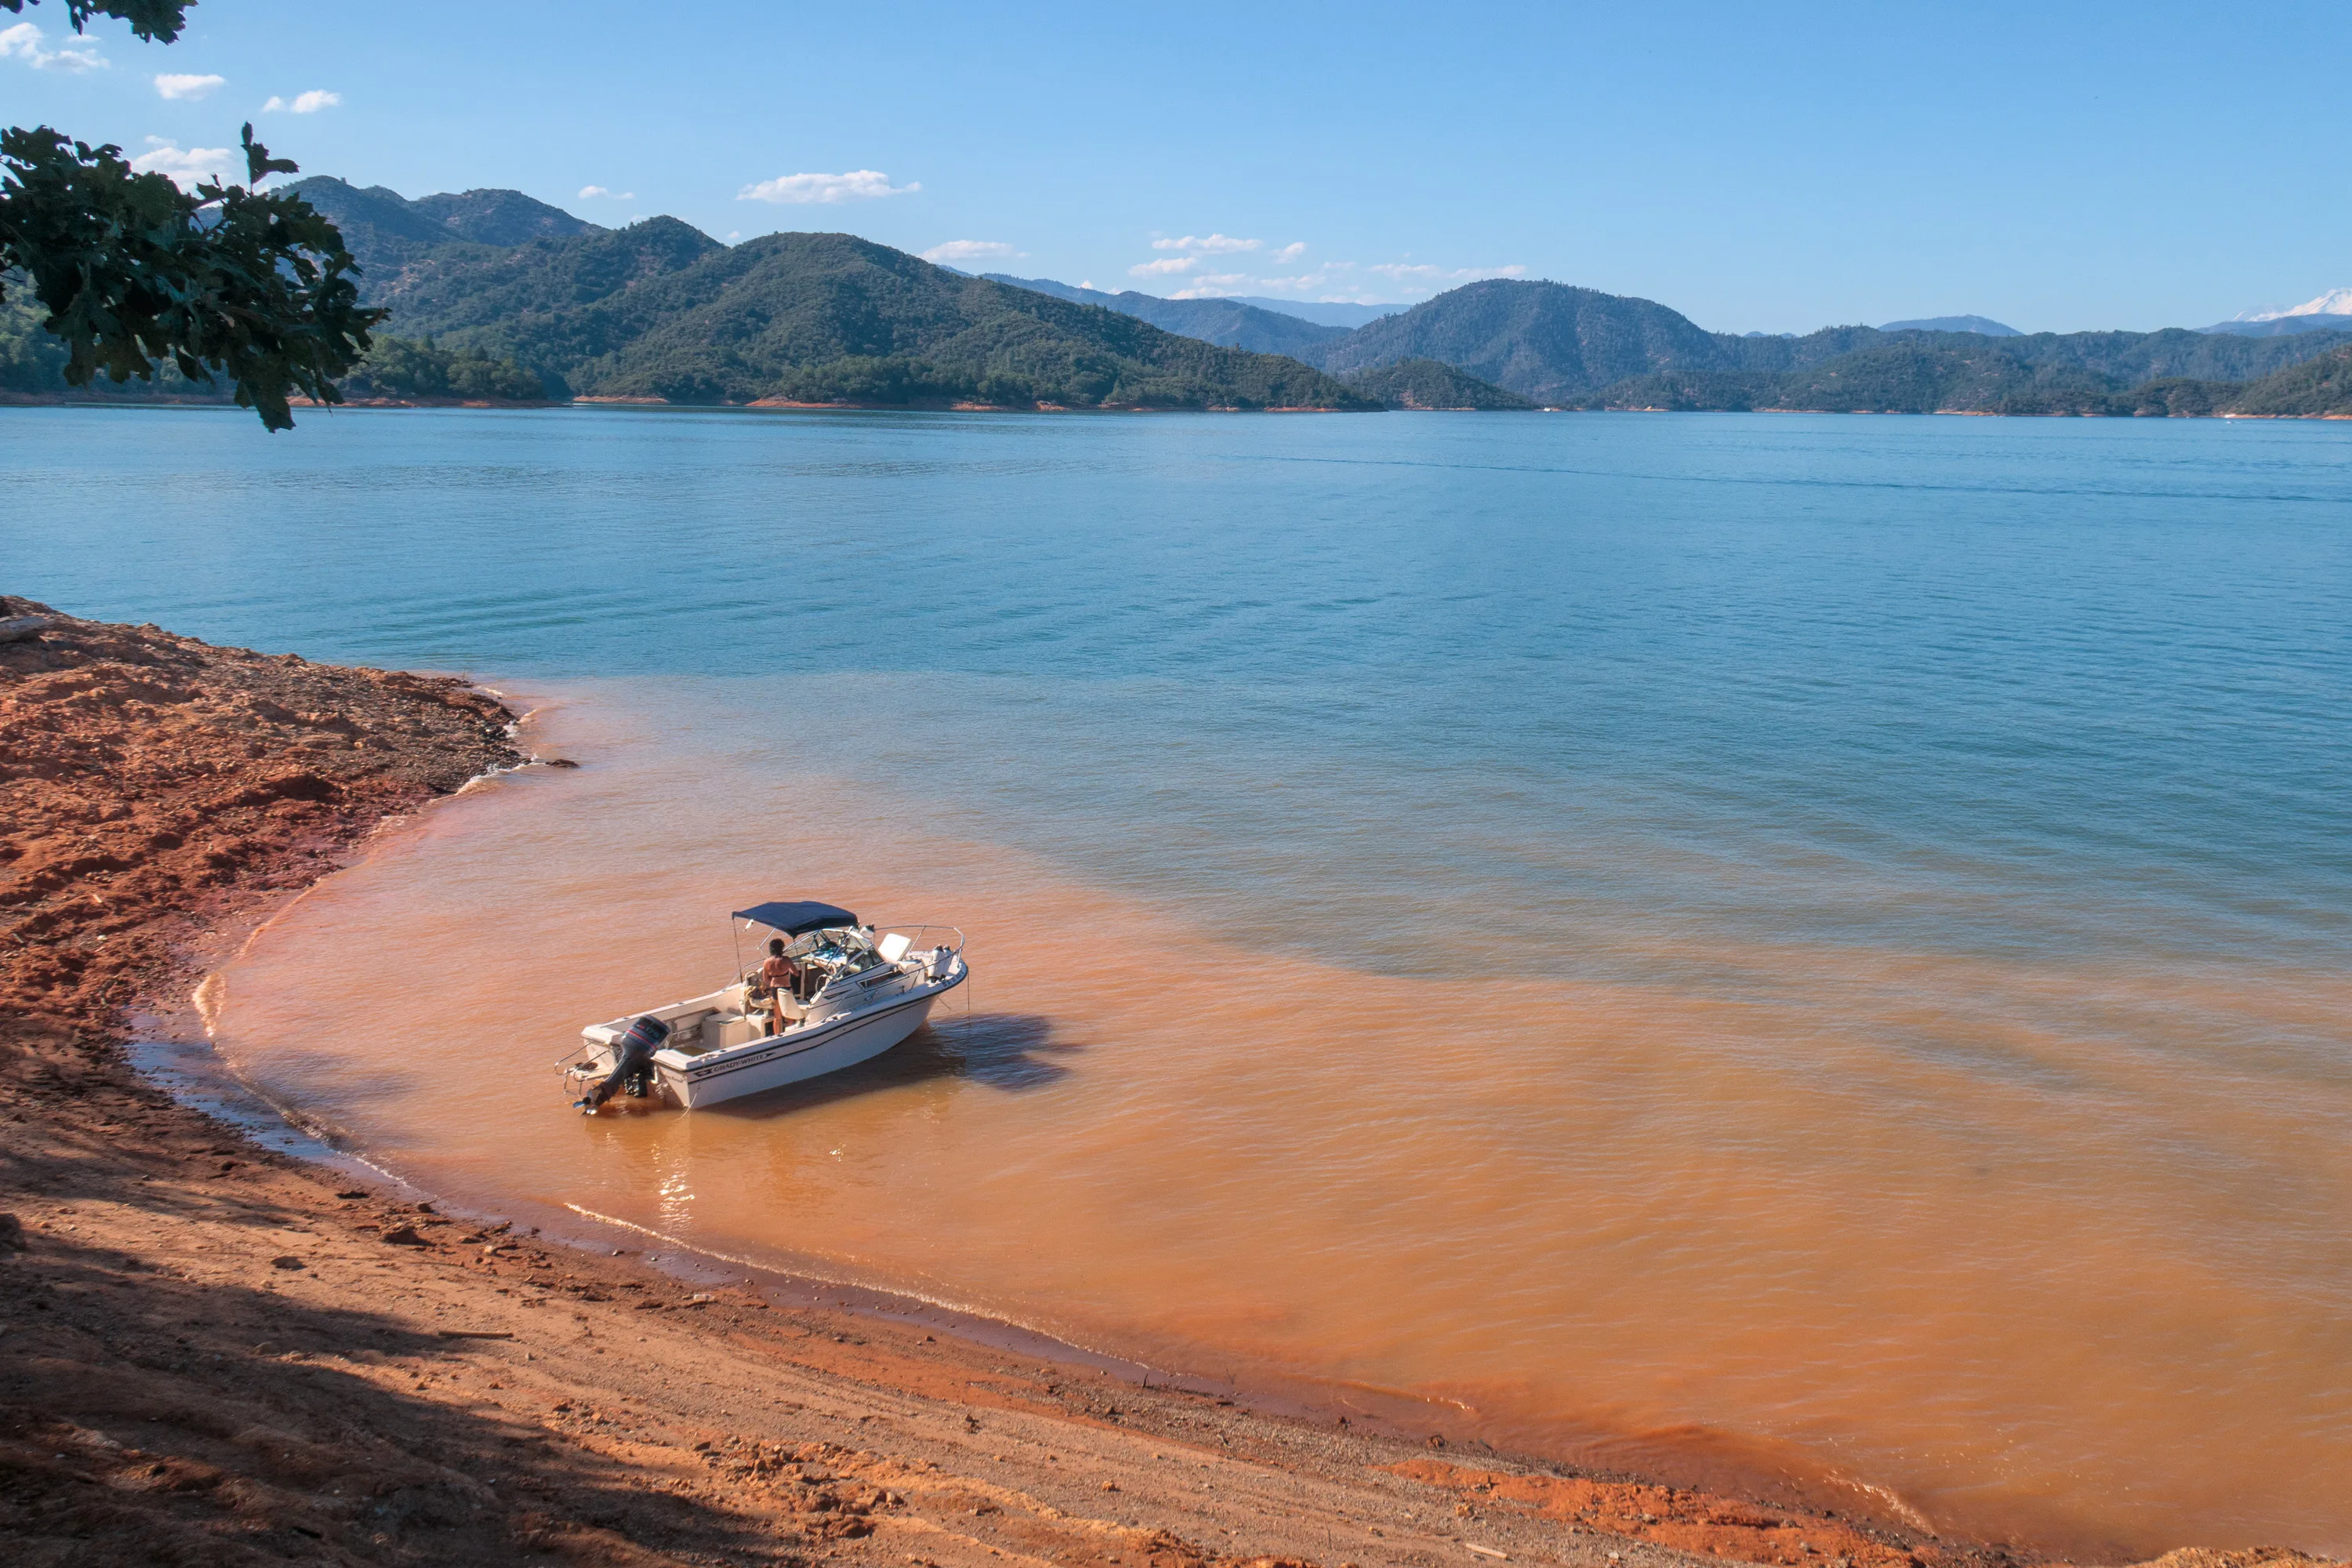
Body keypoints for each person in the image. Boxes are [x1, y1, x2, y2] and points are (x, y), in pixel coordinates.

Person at [575, 1014, 670, 1114]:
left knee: (623, 1069)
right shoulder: (639, 1050)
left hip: (633, 1050)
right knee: (626, 1067)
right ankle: (601, 1094)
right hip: (637, 1053)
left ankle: (600, 1095)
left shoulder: (631, 1045)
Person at [757, 937, 800, 1037]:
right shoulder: (786, 960)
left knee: (777, 1015)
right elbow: (796, 973)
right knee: (789, 1012)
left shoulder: (767, 962)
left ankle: (777, 1036)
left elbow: (766, 979)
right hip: (785, 987)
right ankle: (791, 1034)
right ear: (781, 949)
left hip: (774, 988)